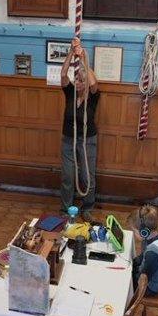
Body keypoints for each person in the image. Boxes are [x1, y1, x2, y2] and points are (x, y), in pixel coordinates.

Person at [59, 37, 100, 221]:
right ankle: (66, 208)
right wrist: (71, 52)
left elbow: (93, 84)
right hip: (68, 139)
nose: (78, 82)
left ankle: (87, 207)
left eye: (81, 80)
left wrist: (83, 58)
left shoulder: (93, 97)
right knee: (68, 176)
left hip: (87, 141)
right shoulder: (70, 94)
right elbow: (63, 74)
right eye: (77, 79)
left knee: (87, 176)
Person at [129, 205, 158, 297]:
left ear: (144, 232)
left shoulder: (153, 252)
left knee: (122, 284)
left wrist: (129, 274)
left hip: (150, 289)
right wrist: (132, 264)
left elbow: (143, 279)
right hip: (148, 277)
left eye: (135, 231)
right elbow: (142, 257)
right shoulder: (154, 237)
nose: (134, 234)